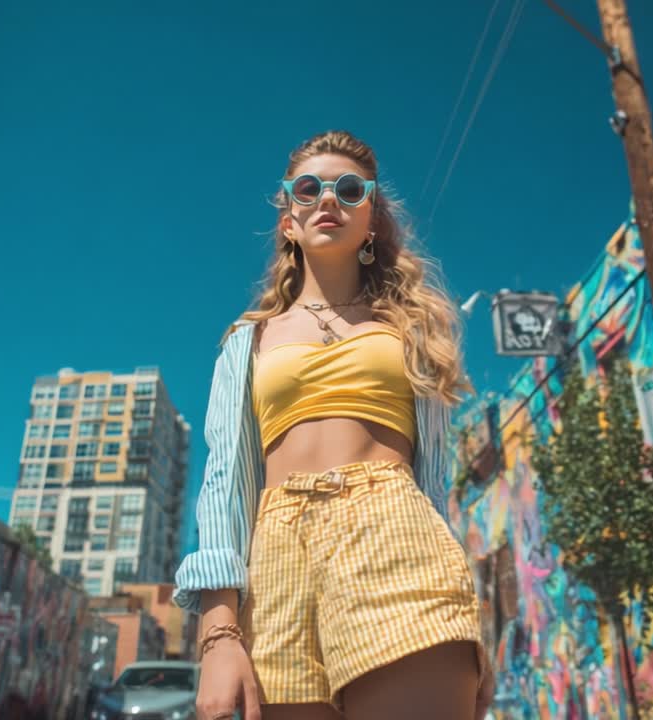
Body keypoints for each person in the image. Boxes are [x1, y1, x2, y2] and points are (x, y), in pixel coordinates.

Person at [174, 130, 494, 720]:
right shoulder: (247, 342)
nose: (328, 199)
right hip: (276, 560)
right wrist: (218, 633)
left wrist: (464, 612)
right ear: (288, 221)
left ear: (371, 220)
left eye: (349, 190)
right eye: (309, 189)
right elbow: (224, 484)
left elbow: (434, 481)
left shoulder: (410, 330)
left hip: (396, 534)